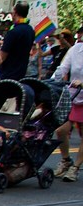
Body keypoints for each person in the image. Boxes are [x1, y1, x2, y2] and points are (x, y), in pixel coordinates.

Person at [52, 34, 83, 182]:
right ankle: (66, 160)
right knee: (61, 130)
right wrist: (54, 80)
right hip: (73, 96)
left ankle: (75, 167)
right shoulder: (75, 50)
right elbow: (62, 68)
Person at [0, 2, 32, 81]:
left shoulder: (13, 32)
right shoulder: (30, 30)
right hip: (22, 74)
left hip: (8, 75)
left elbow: (1, 57)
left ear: (15, 12)